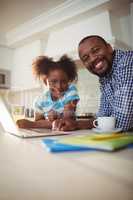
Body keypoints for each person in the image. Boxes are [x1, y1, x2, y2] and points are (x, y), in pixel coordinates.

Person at [54, 35, 133, 131]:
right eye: (86, 58)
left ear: (109, 48)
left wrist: (79, 124)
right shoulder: (105, 79)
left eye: (96, 50)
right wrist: (76, 124)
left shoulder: (127, 62)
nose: (92, 59)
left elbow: (123, 121)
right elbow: (103, 115)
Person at [17, 55, 79, 129]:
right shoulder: (40, 100)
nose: (59, 86)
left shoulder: (71, 92)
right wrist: (44, 122)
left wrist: (32, 124)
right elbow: (38, 121)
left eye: (64, 81)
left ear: (69, 80)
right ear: (45, 82)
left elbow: (67, 120)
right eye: (53, 81)